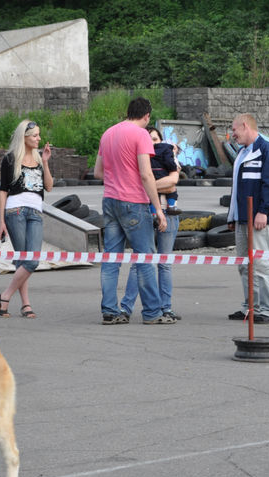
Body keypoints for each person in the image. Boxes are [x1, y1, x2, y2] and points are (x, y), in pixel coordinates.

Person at [94, 96, 174, 325]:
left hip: (109, 201)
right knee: (145, 257)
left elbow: (98, 172)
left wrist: (117, 176)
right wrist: (158, 209)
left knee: (111, 259)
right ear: (147, 116)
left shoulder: (108, 133)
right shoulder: (141, 135)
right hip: (133, 203)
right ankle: (152, 313)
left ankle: (109, 311)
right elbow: (146, 174)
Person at [226, 113, 269, 324]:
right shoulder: (242, 153)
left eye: (234, 130)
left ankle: (268, 311)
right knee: (244, 264)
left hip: (258, 217)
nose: (233, 134)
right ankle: (251, 307)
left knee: (261, 264)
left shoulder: (267, 150)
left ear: (245, 126)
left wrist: (264, 211)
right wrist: (231, 216)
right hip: (241, 218)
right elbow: (236, 188)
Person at [0, 120, 53, 318]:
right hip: (15, 211)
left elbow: (49, 186)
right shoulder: (10, 159)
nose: (39, 138)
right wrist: (2, 220)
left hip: (36, 212)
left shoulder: (39, 159)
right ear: (24, 138)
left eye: (38, 135)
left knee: (32, 260)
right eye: (35, 135)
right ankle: (26, 304)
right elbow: (3, 190)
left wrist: (45, 161)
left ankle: (5, 295)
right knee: (24, 260)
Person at [147, 126, 182, 320]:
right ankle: (133, 307)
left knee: (164, 263)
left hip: (168, 214)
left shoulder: (168, 157)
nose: (152, 143)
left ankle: (165, 307)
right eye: (148, 139)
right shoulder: (141, 158)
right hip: (145, 213)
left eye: (155, 139)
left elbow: (172, 183)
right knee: (142, 263)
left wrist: (148, 186)